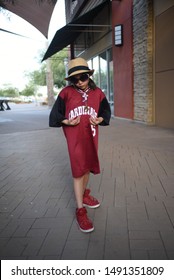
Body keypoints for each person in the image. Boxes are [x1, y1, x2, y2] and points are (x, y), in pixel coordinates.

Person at [49, 57, 111, 233]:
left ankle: (83, 195)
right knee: (78, 171)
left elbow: (106, 111)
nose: (79, 82)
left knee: (87, 168)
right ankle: (80, 210)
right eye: (75, 79)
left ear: (89, 75)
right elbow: (55, 116)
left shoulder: (98, 92)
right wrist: (66, 121)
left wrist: (100, 118)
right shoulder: (66, 93)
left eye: (82, 77)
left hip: (91, 138)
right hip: (75, 140)